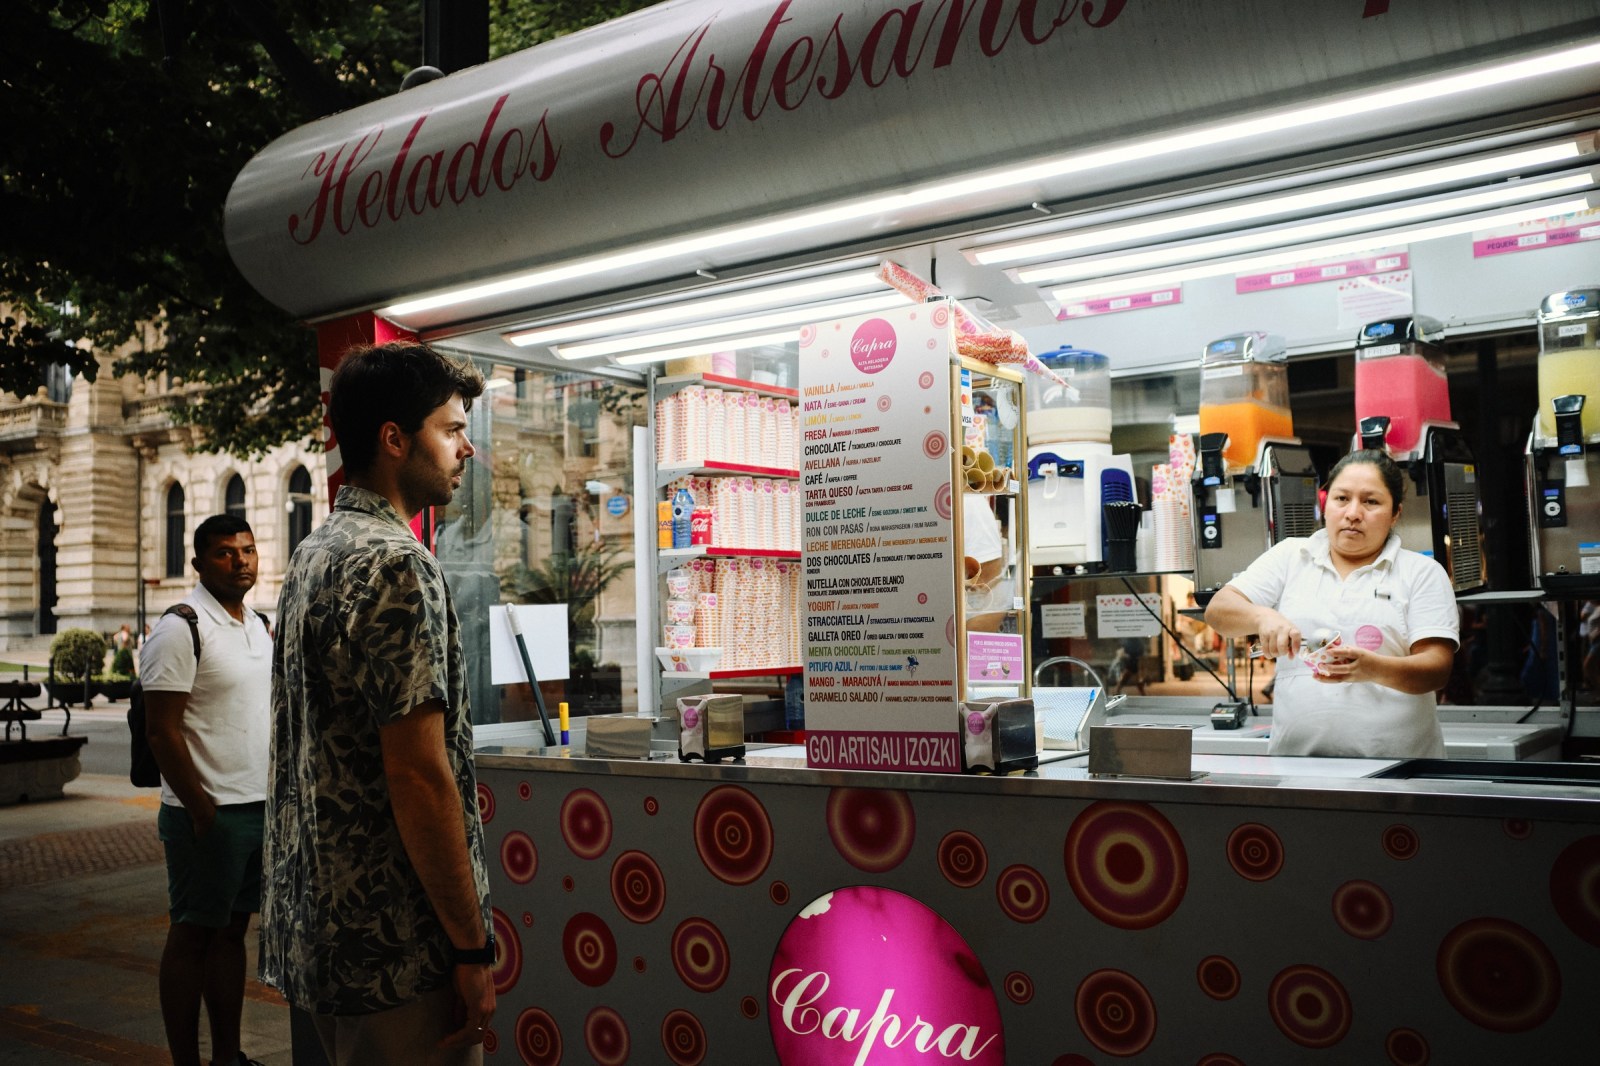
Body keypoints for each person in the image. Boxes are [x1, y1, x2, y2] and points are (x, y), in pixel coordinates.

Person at [261, 341, 492, 1064]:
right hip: (397, 953)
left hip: (322, 942)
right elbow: (418, 777)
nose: (467, 449)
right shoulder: (396, 563)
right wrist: (470, 945)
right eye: (451, 430)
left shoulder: (317, 550)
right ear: (394, 439)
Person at [1204, 449, 1459, 758]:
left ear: (1395, 514)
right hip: (1297, 769)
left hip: (1400, 772)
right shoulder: (1290, 556)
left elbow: (1436, 669)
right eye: (1342, 498)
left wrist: (1373, 668)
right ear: (1325, 504)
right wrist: (1262, 617)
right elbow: (1218, 610)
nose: (1353, 513)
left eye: (1371, 501)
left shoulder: (1421, 572)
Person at [139, 514, 272, 1066]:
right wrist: (200, 808)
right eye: (224, 553)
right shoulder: (179, 627)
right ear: (198, 563)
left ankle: (226, 1056)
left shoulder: (258, 623)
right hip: (209, 814)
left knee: (231, 935)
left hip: (256, 808)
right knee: (192, 937)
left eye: (247, 550)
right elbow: (160, 731)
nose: (240, 561)